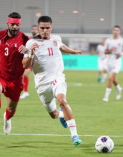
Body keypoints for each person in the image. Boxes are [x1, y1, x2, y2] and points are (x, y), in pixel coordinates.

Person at [22, 16, 82, 146]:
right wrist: (31, 53)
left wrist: (72, 51)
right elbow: (25, 65)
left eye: (47, 28)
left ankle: (75, 136)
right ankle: (60, 114)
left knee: (62, 101)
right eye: (42, 28)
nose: (45, 30)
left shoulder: (56, 38)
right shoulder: (30, 43)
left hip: (57, 78)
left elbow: (61, 46)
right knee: (53, 114)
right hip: (42, 84)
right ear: (38, 28)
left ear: (51, 28)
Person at [102, 25, 123, 102]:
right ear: (112, 31)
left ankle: (106, 97)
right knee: (113, 79)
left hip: (117, 62)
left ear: (119, 32)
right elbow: (105, 52)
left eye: (117, 30)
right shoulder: (108, 41)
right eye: (114, 30)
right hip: (109, 62)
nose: (116, 31)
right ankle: (119, 89)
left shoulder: (122, 41)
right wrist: (110, 50)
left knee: (110, 77)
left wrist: (122, 54)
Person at [20, 25, 38, 99]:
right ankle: (26, 92)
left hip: (39, 61)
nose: (34, 30)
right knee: (25, 74)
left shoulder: (40, 39)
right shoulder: (28, 39)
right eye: (33, 29)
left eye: (35, 29)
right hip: (31, 59)